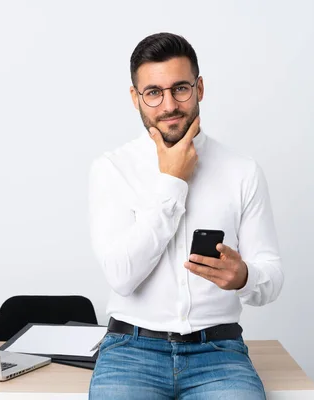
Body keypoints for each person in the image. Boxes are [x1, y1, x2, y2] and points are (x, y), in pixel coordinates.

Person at [87, 32, 284, 400]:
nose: (168, 105)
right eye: (153, 92)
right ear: (136, 98)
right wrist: (172, 182)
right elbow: (121, 277)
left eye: (180, 88)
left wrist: (244, 276)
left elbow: (271, 276)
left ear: (200, 88)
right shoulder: (112, 169)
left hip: (219, 355)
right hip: (130, 351)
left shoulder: (242, 171)